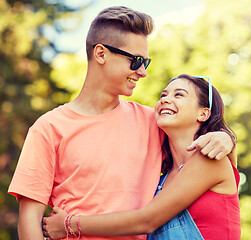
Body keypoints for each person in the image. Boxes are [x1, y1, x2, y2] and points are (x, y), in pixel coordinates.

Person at [8, 6, 235, 240]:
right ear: (101, 54)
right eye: (136, 60)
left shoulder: (154, 121)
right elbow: (30, 218)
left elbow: (200, 143)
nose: (142, 72)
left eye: (145, 62)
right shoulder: (48, 128)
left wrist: (226, 138)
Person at [43, 74, 240, 240]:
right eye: (163, 95)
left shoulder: (210, 160)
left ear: (203, 114)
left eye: (179, 95)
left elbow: (146, 221)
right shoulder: (160, 177)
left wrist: (69, 224)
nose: (165, 99)